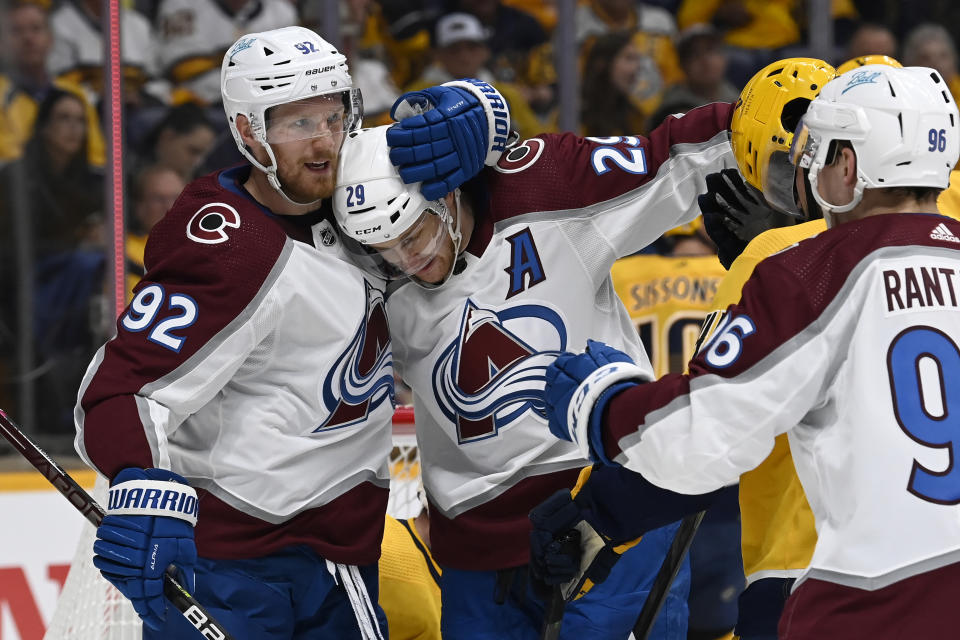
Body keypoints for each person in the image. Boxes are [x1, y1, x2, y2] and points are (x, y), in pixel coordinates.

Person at [76, 25, 505, 639]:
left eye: (334, 116)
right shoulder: (227, 246)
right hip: (228, 568)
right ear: (249, 132)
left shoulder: (367, 190)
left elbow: (476, 166)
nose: (325, 142)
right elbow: (118, 391)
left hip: (341, 563)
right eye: (298, 124)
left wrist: (483, 117)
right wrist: (141, 482)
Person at [541, 64, 960, 638]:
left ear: (851, 164)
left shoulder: (793, 265)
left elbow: (701, 437)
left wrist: (598, 426)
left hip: (837, 582)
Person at [332, 89, 737, 637]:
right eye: (385, 248)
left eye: (414, 234)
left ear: (448, 195)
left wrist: (804, 116)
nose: (408, 259)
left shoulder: (548, 190)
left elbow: (682, 149)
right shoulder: (367, 276)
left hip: (608, 499)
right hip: (477, 538)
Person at [0, 88, 105, 435]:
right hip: (25, 284)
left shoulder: (94, 183)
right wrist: (76, 243)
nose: (73, 129)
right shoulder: (14, 179)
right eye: (63, 119)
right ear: (43, 126)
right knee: (88, 264)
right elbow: (12, 248)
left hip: (76, 281)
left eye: (79, 121)